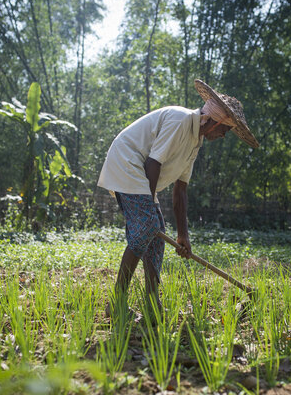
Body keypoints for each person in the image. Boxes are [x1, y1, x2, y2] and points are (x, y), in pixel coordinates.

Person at [97, 79, 259, 315]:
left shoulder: (196, 141)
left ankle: (152, 304)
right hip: (127, 162)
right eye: (225, 129)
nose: (224, 135)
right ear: (214, 122)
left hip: (139, 173)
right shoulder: (181, 120)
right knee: (146, 227)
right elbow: (153, 163)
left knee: (156, 234)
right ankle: (117, 302)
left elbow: (180, 190)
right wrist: (149, 209)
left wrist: (183, 235)